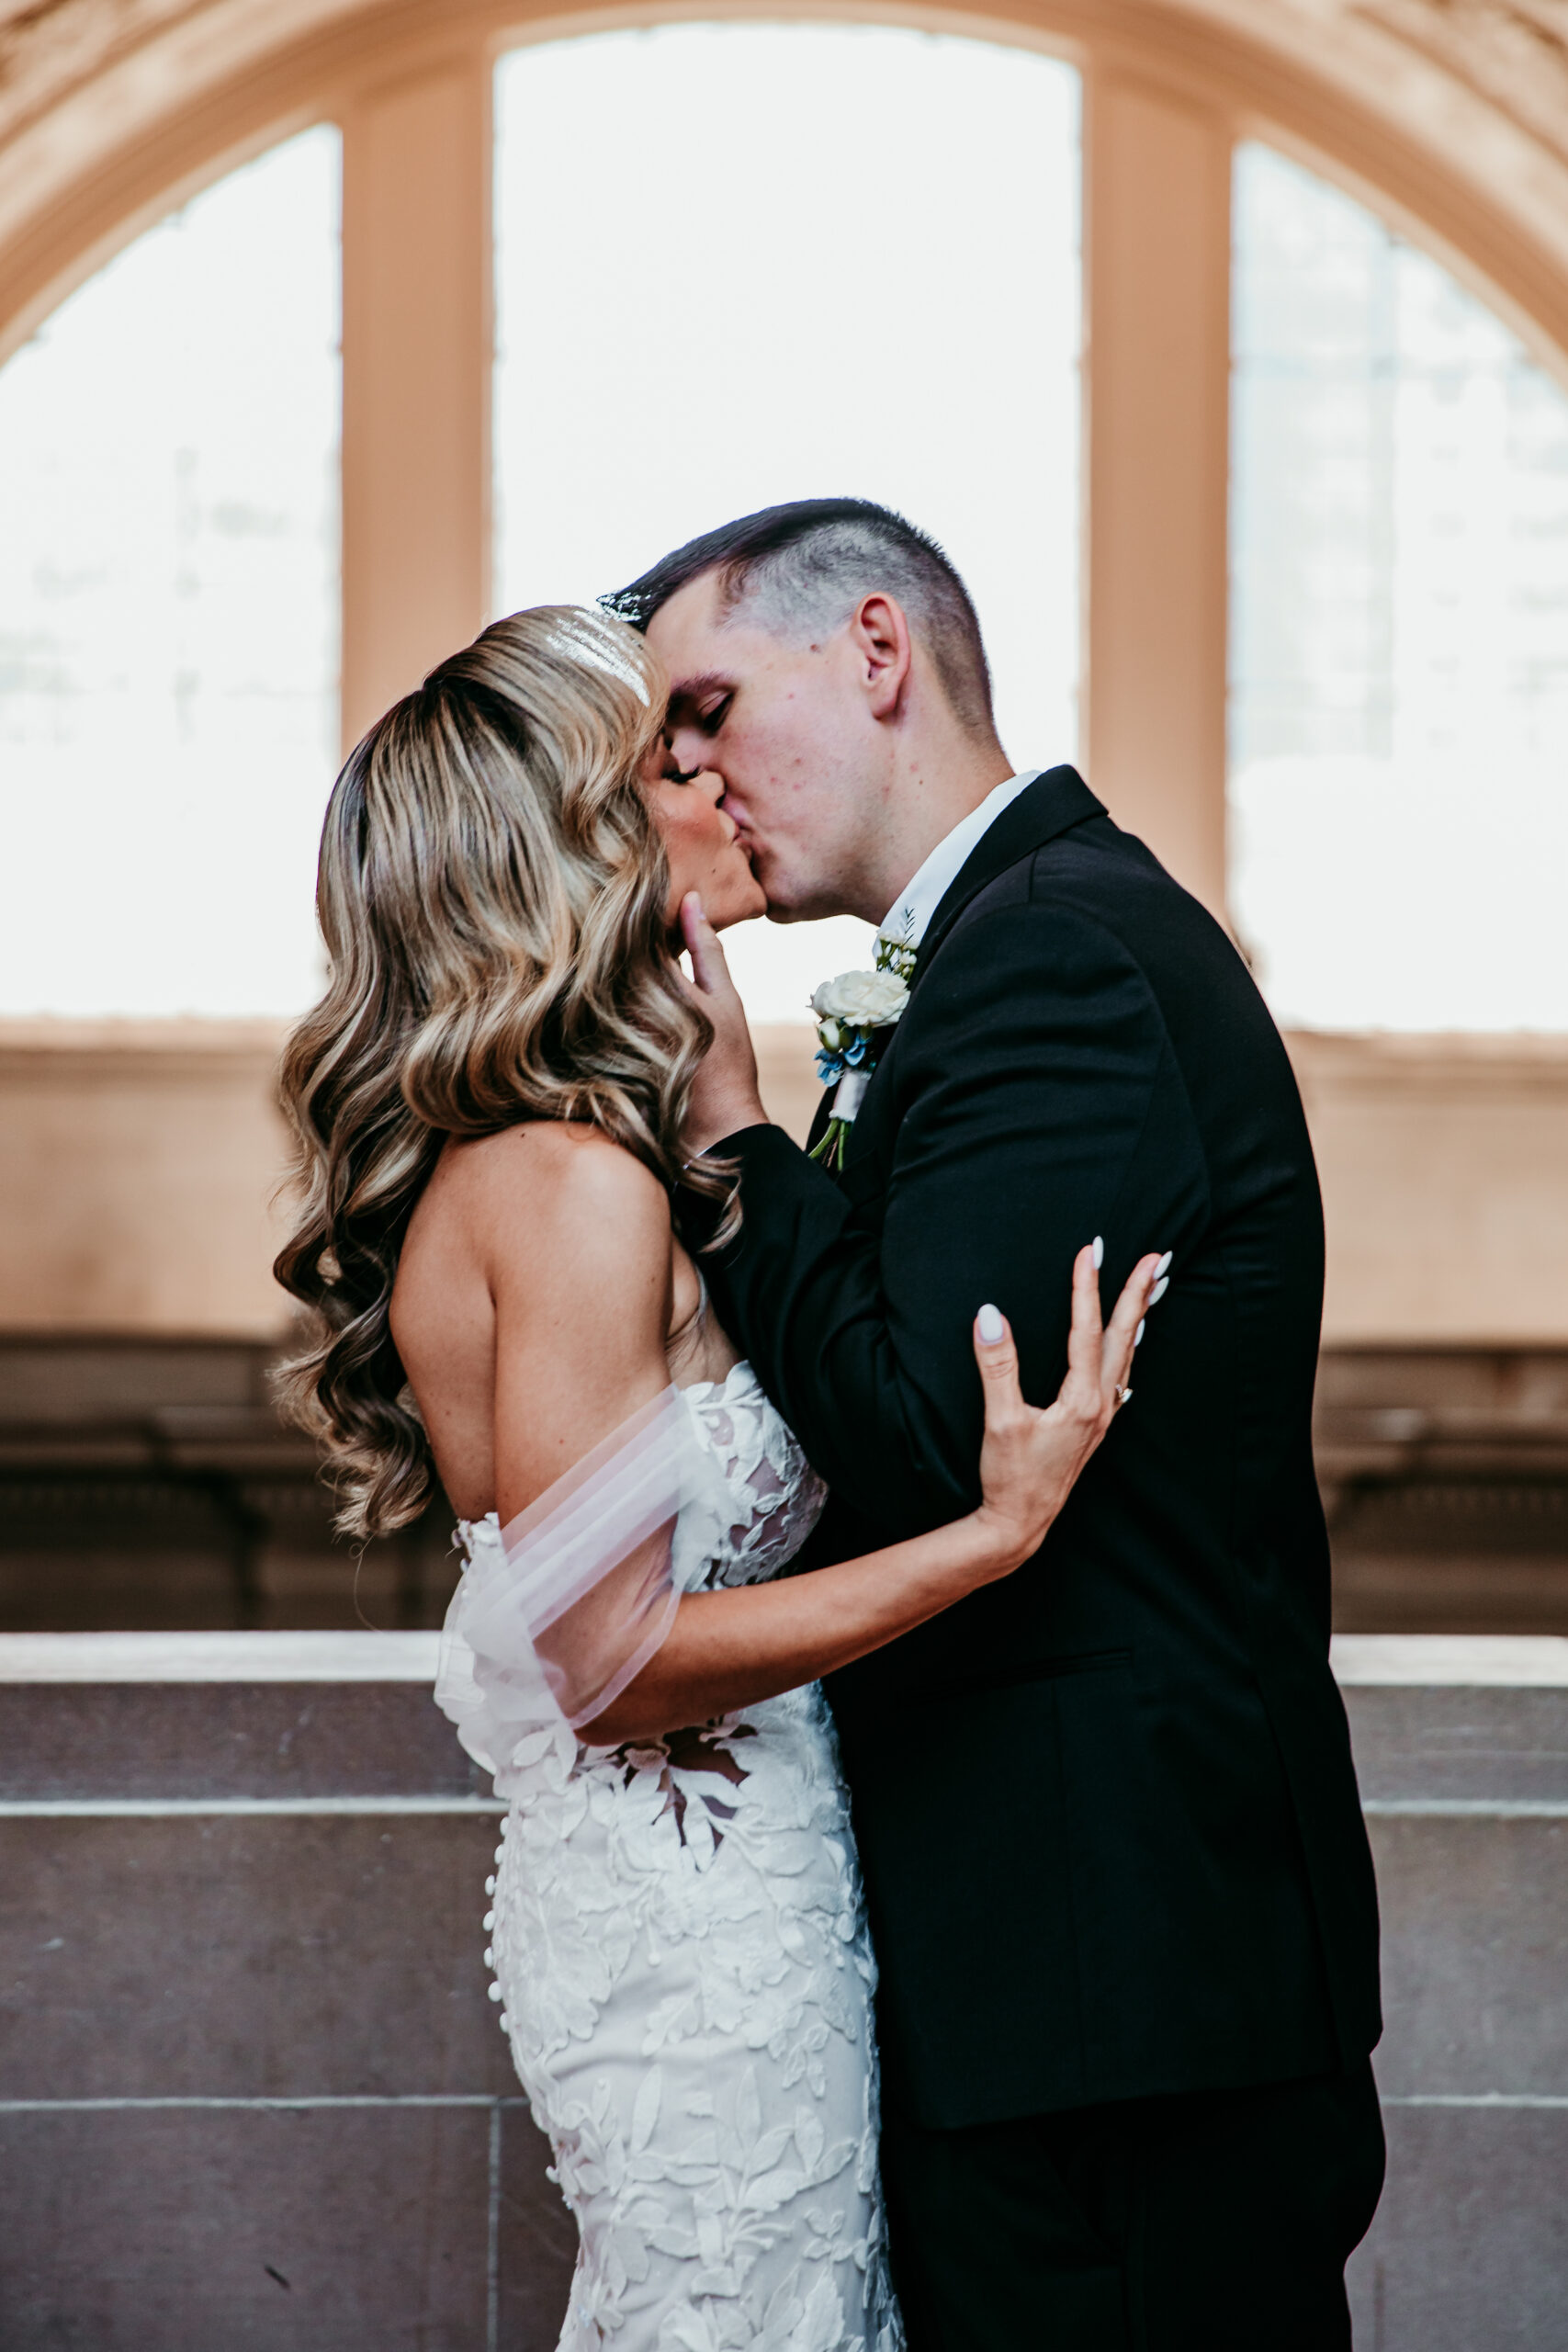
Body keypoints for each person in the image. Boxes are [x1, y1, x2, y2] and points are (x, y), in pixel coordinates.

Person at [272, 603, 1157, 2352]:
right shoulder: (571, 1190)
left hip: (727, 1888)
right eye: (660, 761)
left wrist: (735, 1110)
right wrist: (987, 1540)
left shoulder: (572, 1160)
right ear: (585, 848)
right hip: (695, 1939)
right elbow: (605, 1665)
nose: (710, 779)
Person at [603, 498, 1387, 2349]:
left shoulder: (1054, 961)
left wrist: (729, 1136)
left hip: (1112, 1984)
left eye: (705, 706)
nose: (686, 775)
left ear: (873, 651)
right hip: (1076, 1969)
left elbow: (919, 1430)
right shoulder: (1000, 947)